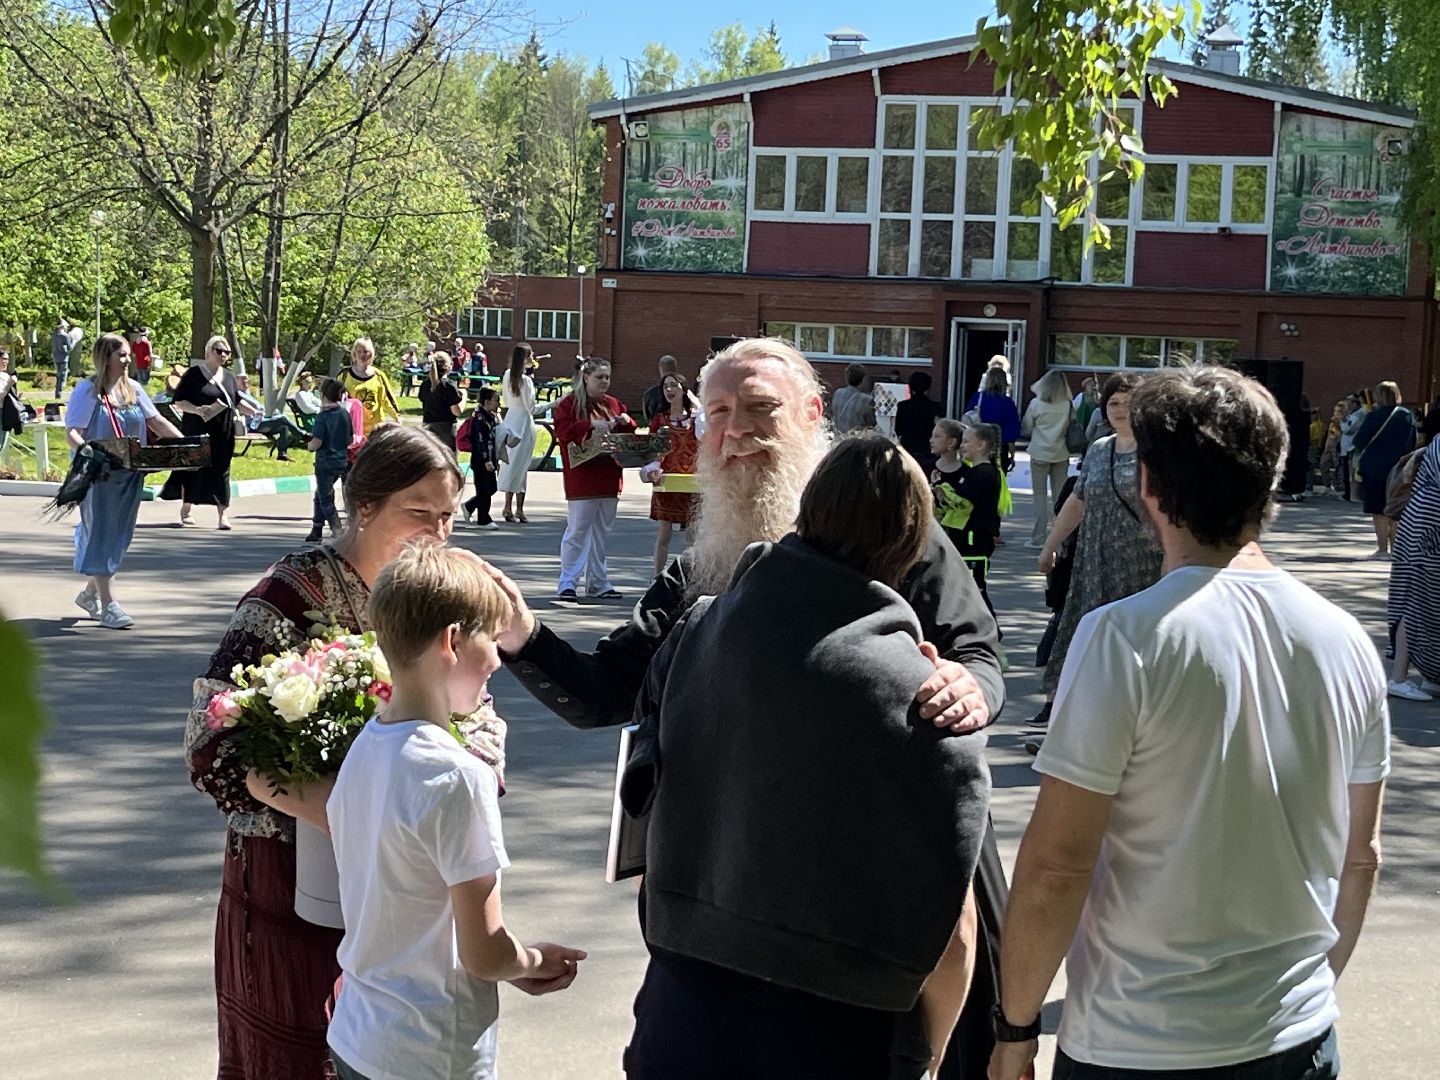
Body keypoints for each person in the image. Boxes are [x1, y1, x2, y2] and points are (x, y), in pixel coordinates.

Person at [484, 337, 1008, 1079]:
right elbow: (606, 692)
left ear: (812, 415)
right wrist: (522, 634)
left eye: (761, 409)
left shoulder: (889, 530)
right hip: (728, 910)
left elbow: (979, 653)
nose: (736, 432)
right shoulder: (703, 566)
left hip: (880, 909)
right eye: (719, 413)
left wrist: (965, 686)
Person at [989, 366, 1389, 1080]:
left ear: (1148, 482)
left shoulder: (1124, 637)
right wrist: (1309, 992)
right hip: (1297, 1034)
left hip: (1138, 1041)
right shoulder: (1346, 640)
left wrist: (1016, 1026)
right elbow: (1361, 859)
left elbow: (1056, 867)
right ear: (1271, 480)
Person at [620, 436, 991, 1080]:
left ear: (805, 516)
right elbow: (955, 928)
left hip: (680, 1007)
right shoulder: (926, 698)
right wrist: (927, 1057)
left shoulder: (696, 633)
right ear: (910, 550)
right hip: (838, 1028)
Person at [185, 426, 505, 1080]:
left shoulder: (440, 588)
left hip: (402, 889)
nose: (438, 532)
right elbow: (213, 738)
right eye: (420, 512)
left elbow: (480, 708)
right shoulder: (292, 594)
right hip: (288, 883)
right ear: (364, 506)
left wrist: (475, 765)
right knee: (299, 1051)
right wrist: (348, 810)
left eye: (448, 515)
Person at [328, 542, 585, 1080]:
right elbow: (485, 955)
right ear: (452, 641)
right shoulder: (458, 776)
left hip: (358, 1033)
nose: (497, 658)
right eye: (491, 638)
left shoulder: (366, 745)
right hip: (429, 1050)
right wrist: (534, 961)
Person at [1033, 372, 1163, 726]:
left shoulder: (1157, 452)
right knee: (1085, 637)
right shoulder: (1099, 448)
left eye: (1129, 402)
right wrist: (1050, 546)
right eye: (1113, 403)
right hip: (1095, 561)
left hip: (1144, 566)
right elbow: (1078, 501)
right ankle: (1070, 725)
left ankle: (1128, 724)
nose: (1120, 410)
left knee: (1133, 642)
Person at [65, 333, 184, 629]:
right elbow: (73, 432)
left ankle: (90, 595)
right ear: (106, 357)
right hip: (100, 475)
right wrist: (89, 451)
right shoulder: (88, 391)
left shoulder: (133, 389)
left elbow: (155, 421)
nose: (128, 359)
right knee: (103, 534)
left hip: (131, 475)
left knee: (120, 537)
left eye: (129, 354)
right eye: (122, 355)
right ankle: (109, 606)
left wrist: (186, 444)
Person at [553, 356, 636, 599]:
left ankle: (598, 581)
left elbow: (627, 431)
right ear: (585, 377)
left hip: (609, 475)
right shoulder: (569, 404)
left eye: (607, 377)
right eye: (599, 377)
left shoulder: (613, 403)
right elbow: (563, 431)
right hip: (583, 476)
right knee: (578, 530)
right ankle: (567, 581)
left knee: (602, 532)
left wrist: (626, 421)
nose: (604, 382)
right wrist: (590, 425)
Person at [159, 335, 255, 529]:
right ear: (209, 352)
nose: (223, 355)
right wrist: (197, 409)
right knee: (192, 469)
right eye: (219, 351)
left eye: (227, 352)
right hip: (197, 430)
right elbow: (179, 401)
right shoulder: (194, 374)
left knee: (222, 472)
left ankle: (223, 515)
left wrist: (253, 410)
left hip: (223, 433)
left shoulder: (228, 376)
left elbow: (234, 400)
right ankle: (186, 509)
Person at [931, 420, 1002, 634]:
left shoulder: (982, 474)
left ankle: (992, 632)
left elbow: (964, 504)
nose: (963, 446)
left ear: (980, 445)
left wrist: (940, 487)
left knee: (975, 588)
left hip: (975, 539)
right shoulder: (975, 473)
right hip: (967, 537)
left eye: (967, 441)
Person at [1386, 434, 1440, 701]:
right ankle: (1399, 676)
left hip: (1421, 526)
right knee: (1418, 598)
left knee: (1420, 596)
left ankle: (1430, 675)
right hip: (1429, 530)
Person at [1350, 380, 1418, 559]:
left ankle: (1382, 549)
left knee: (1378, 508)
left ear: (1379, 396)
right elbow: (1413, 443)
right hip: (1400, 468)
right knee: (1396, 507)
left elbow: (1358, 441)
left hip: (1375, 467)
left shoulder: (1373, 416)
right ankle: (1396, 548)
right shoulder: (1407, 415)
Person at [643, 372, 700, 576]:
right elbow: (651, 451)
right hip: (667, 483)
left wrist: (698, 409)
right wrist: (652, 470)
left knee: (693, 537)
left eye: (673, 385)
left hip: (692, 484)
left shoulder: (696, 419)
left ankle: (692, 577)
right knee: (664, 535)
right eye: (665, 386)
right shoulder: (660, 420)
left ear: (683, 389)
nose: (669, 390)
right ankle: (657, 577)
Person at [1022, 369, 1075, 547]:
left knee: (1040, 496)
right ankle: (1059, 537)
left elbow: (1027, 427)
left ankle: (1038, 536)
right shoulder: (1068, 404)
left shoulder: (1036, 403)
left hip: (1039, 451)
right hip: (1060, 452)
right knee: (1060, 497)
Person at [305, 378, 350, 544]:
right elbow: (349, 438)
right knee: (320, 494)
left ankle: (337, 529)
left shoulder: (323, 417)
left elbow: (316, 442)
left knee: (325, 498)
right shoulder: (344, 414)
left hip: (325, 462)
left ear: (323, 395)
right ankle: (316, 528)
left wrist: (309, 446)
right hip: (342, 460)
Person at [498, 343, 539, 523]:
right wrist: (555, 404)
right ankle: (519, 509)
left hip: (511, 418)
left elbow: (507, 400)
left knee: (510, 463)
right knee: (522, 465)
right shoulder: (526, 381)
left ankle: (507, 506)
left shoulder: (507, 375)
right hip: (523, 421)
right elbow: (531, 407)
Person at [338, 337, 401, 437]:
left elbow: (387, 399)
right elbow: (334, 398)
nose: (362, 355)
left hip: (374, 429)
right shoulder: (344, 375)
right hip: (351, 428)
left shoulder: (379, 376)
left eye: (366, 351)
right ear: (354, 354)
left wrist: (397, 418)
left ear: (371, 354)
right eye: (359, 351)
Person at [967, 367, 1022, 472]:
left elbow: (968, 418)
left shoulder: (978, 398)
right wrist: (1012, 453)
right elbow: (1011, 431)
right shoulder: (1007, 403)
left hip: (978, 443)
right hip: (999, 447)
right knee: (998, 478)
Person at [462, 387, 501, 531]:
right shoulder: (479, 418)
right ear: (486, 402)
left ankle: (469, 506)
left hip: (490, 458)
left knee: (491, 487)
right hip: (481, 460)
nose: (498, 403)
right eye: (496, 400)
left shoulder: (490, 417)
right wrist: (486, 460)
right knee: (484, 489)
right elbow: (479, 441)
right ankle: (483, 519)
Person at [894, 370, 944, 472]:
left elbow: (897, 429)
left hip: (907, 450)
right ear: (927, 389)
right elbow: (940, 428)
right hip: (928, 450)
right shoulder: (934, 407)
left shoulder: (902, 406)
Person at [419, 349, 463, 450]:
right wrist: (464, 396)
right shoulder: (448, 385)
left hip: (427, 427)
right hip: (445, 428)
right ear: (447, 367)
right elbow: (457, 412)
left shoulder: (425, 385)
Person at [831, 361, 877, 433]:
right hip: (857, 440)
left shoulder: (838, 393)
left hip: (838, 438)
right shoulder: (867, 400)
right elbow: (871, 424)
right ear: (863, 379)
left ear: (846, 378)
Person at [1337, 393, 1367, 501]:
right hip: (1347, 447)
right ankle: (1348, 493)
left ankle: (1350, 494)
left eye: (1349, 402)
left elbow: (1347, 429)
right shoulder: (1353, 414)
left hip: (1352, 447)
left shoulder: (1359, 415)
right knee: (1347, 472)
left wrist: (1342, 420)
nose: (1347, 405)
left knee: (1351, 473)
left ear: (1355, 403)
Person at [640, 354, 679, 429]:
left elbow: (647, 418)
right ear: (675, 369)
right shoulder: (685, 392)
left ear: (660, 369)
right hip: (680, 432)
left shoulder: (649, 394)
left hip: (656, 434)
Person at [51, 318, 71, 399]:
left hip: (56, 358)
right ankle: (59, 393)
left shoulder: (54, 335)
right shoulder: (66, 336)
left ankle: (57, 393)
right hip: (63, 358)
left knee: (58, 375)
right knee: (62, 376)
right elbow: (69, 348)